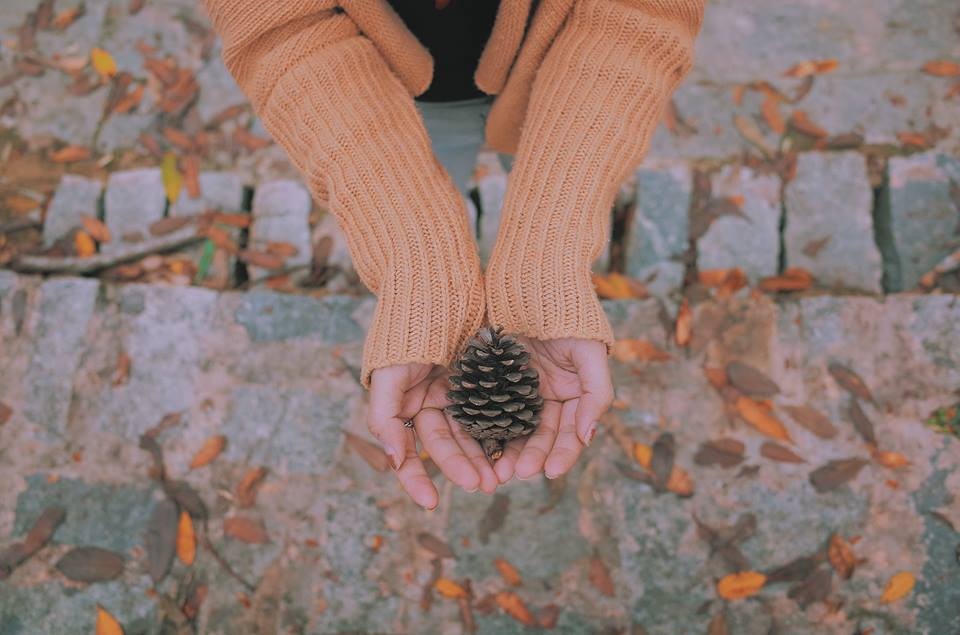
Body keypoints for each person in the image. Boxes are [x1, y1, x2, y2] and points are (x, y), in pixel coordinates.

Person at [200, 0, 705, 509]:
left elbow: (641, 12)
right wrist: (417, 253)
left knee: (529, 161)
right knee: (437, 165)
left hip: (580, 77)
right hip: (374, 92)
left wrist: (549, 242)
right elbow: (278, 26)